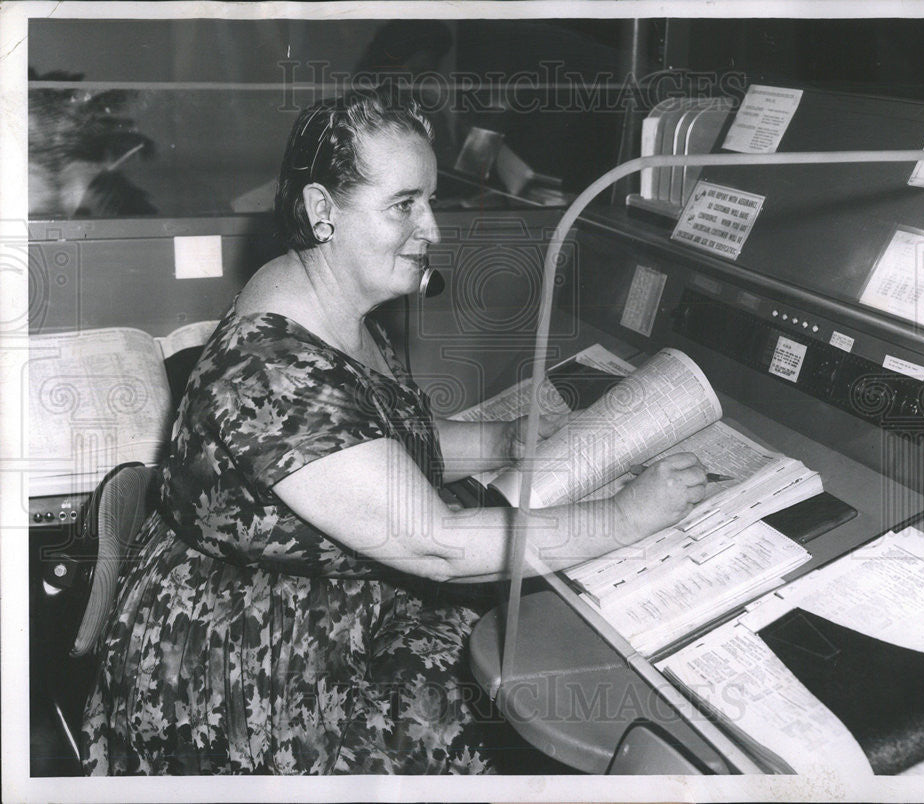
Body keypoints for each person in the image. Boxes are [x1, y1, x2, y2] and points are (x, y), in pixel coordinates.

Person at [80, 84, 707, 775]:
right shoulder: (269, 376)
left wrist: (503, 443)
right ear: (324, 212)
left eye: (430, 200)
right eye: (404, 205)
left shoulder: (325, 294)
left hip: (335, 603)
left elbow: (374, 433)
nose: (432, 229)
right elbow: (434, 546)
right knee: (505, 733)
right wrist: (623, 517)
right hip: (253, 675)